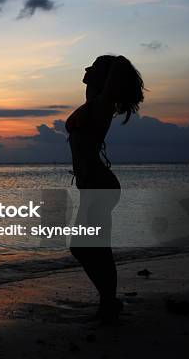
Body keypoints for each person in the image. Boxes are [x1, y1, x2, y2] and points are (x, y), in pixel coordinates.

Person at [65, 55, 145, 322]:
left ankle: (108, 302)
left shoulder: (102, 104)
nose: (87, 68)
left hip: (99, 185)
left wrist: (114, 64)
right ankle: (108, 301)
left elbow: (120, 65)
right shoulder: (93, 103)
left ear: (107, 77)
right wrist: (98, 72)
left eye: (94, 66)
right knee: (87, 247)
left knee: (90, 247)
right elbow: (95, 81)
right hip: (93, 186)